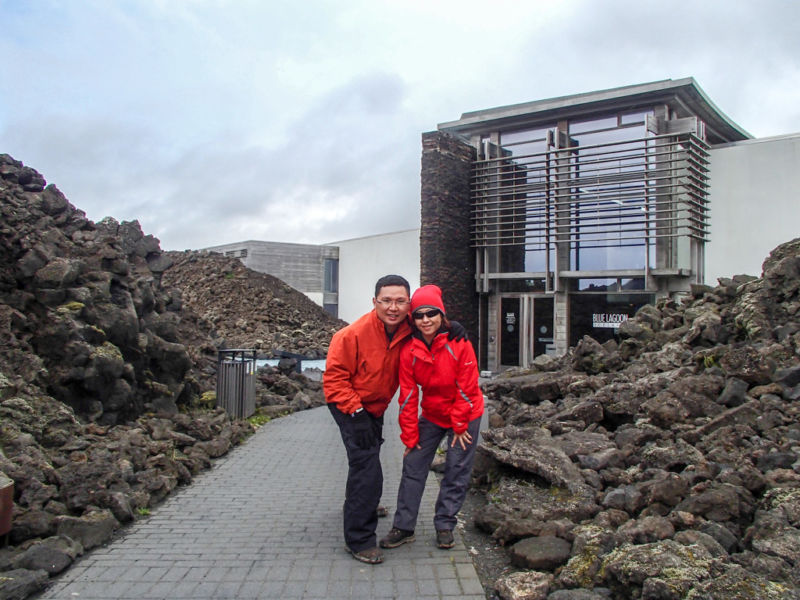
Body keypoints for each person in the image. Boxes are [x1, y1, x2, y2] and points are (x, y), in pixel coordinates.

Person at [379, 284, 484, 551]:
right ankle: (403, 526)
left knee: (456, 467)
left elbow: (467, 386)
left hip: (465, 413)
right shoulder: (409, 350)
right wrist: (410, 436)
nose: (426, 320)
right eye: (419, 315)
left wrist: (460, 425)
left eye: (432, 313)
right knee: (413, 464)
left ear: (442, 315)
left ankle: (445, 524)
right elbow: (408, 396)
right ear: (412, 318)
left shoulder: (459, 343)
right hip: (433, 413)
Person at [324, 274, 414, 565]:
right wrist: (356, 412)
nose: (393, 307)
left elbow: (435, 324)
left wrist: (454, 330)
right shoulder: (351, 335)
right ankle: (359, 539)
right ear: (374, 302)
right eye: (386, 300)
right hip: (347, 403)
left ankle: (359, 504)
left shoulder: (408, 327)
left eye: (400, 301)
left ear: (408, 304)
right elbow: (334, 380)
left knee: (364, 460)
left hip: (374, 407)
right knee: (368, 466)